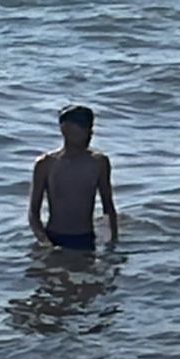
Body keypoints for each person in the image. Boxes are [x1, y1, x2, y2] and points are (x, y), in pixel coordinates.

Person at [28, 104, 118, 250]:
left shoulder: (99, 162)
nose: (89, 132)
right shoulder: (46, 164)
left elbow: (108, 207)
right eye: (82, 126)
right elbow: (33, 212)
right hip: (54, 237)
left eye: (90, 127)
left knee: (90, 272)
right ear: (65, 128)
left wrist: (112, 242)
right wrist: (45, 242)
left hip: (85, 238)